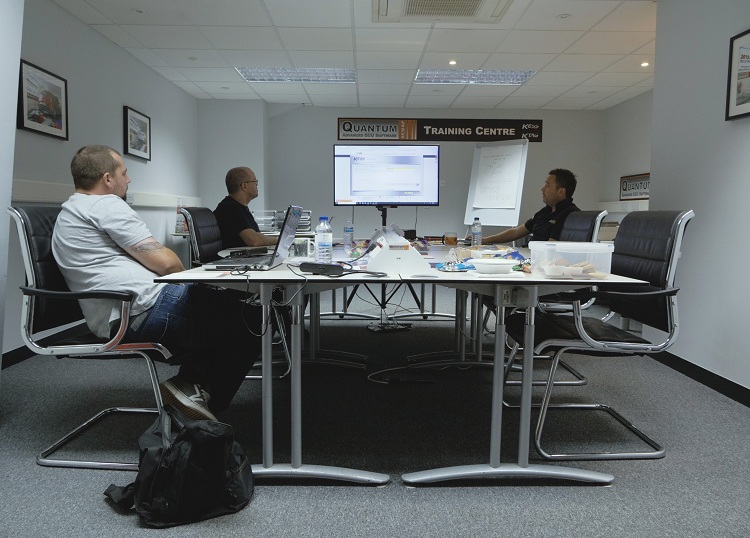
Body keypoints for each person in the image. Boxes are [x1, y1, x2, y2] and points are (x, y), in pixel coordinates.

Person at [52, 145, 262, 422]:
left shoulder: (73, 209)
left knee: (229, 309)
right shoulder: (105, 205)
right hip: (140, 312)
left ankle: (190, 387)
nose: (129, 180)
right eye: (124, 173)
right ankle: (201, 404)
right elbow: (167, 264)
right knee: (256, 317)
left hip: (128, 310)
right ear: (107, 179)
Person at [481, 168, 580, 244]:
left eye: (547, 185)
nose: (542, 189)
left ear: (561, 192)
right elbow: (515, 232)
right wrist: (484, 240)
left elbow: (551, 248)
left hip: (542, 261)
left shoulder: (571, 215)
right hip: (530, 256)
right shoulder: (545, 211)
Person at [213, 166, 277, 248]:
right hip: (236, 256)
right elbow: (254, 240)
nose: (257, 185)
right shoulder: (230, 209)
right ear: (244, 186)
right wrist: (277, 240)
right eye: (255, 181)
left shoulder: (238, 207)